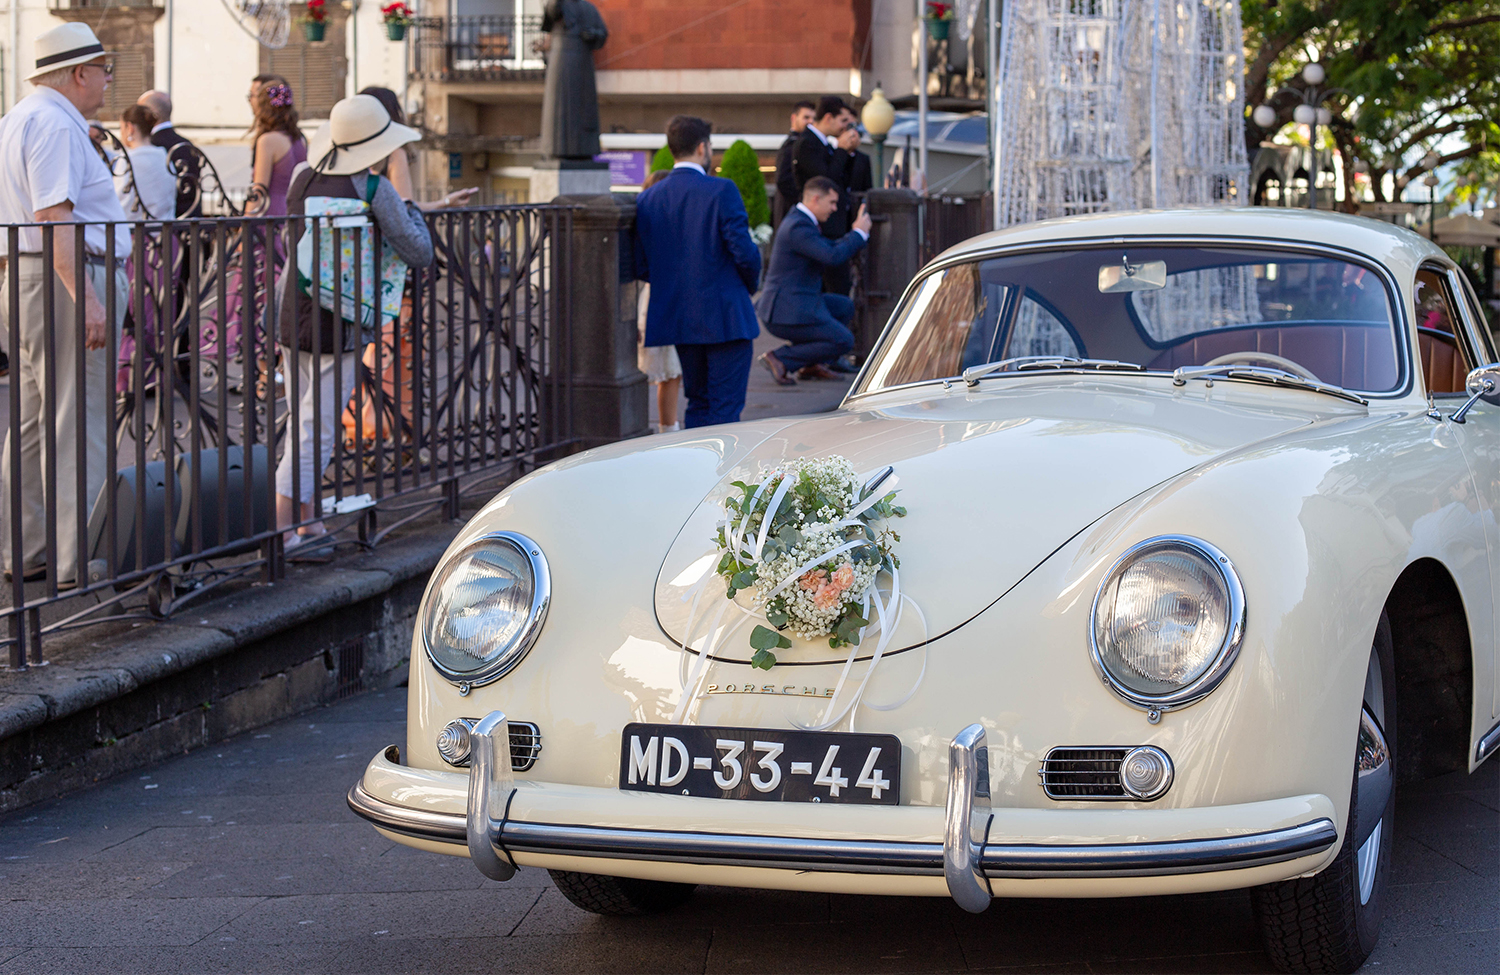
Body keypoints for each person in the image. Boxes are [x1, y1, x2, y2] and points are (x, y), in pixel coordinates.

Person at [0, 22, 130, 586]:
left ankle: (27, 550)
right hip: (68, 279)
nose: (106, 81)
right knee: (80, 419)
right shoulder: (55, 124)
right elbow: (57, 219)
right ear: (80, 73)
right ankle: (85, 559)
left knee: (32, 423)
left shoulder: (18, 119)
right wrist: (90, 300)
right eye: (103, 69)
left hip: (28, 277)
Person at [275, 95, 434, 554]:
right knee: (319, 427)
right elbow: (417, 251)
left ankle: (310, 522)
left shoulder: (304, 178)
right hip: (339, 321)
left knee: (302, 419)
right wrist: (412, 208)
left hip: (293, 313)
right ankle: (282, 528)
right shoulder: (374, 189)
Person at [633, 115, 761, 428]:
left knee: (698, 402)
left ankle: (697, 470)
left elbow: (639, 262)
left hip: (679, 316)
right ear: (702, 148)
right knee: (726, 408)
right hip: (726, 314)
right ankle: (723, 475)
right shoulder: (721, 190)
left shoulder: (648, 198)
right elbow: (744, 251)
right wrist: (748, 286)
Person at [754, 176, 871, 385]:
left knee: (843, 307)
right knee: (844, 340)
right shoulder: (798, 227)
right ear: (816, 199)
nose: (835, 208)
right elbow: (832, 256)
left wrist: (854, 234)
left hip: (798, 301)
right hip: (785, 309)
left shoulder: (802, 221)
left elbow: (829, 248)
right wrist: (859, 233)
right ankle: (780, 358)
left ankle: (812, 364)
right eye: (832, 203)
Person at [635, 168, 681, 433]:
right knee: (669, 371)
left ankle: (669, 427)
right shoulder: (661, 223)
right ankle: (668, 430)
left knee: (670, 371)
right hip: (661, 299)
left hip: (657, 297)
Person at [246, 75, 308, 217]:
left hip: (273, 214)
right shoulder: (299, 139)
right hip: (295, 213)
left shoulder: (268, 141)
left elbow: (259, 190)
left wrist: (245, 226)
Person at [137, 89, 200, 217]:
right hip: (193, 222)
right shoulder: (187, 144)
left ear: (150, 115)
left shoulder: (151, 147)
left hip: (169, 225)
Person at [112, 104, 177, 220]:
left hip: (136, 232)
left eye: (121, 128)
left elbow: (119, 201)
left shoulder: (127, 160)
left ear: (130, 128)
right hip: (165, 231)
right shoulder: (163, 155)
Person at [773, 100, 816, 226]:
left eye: (813, 118)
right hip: (790, 213)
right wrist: (803, 201)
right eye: (806, 117)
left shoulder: (802, 144)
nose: (810, 122)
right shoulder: (790, 146)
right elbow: (782, 179)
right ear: (794, 118)